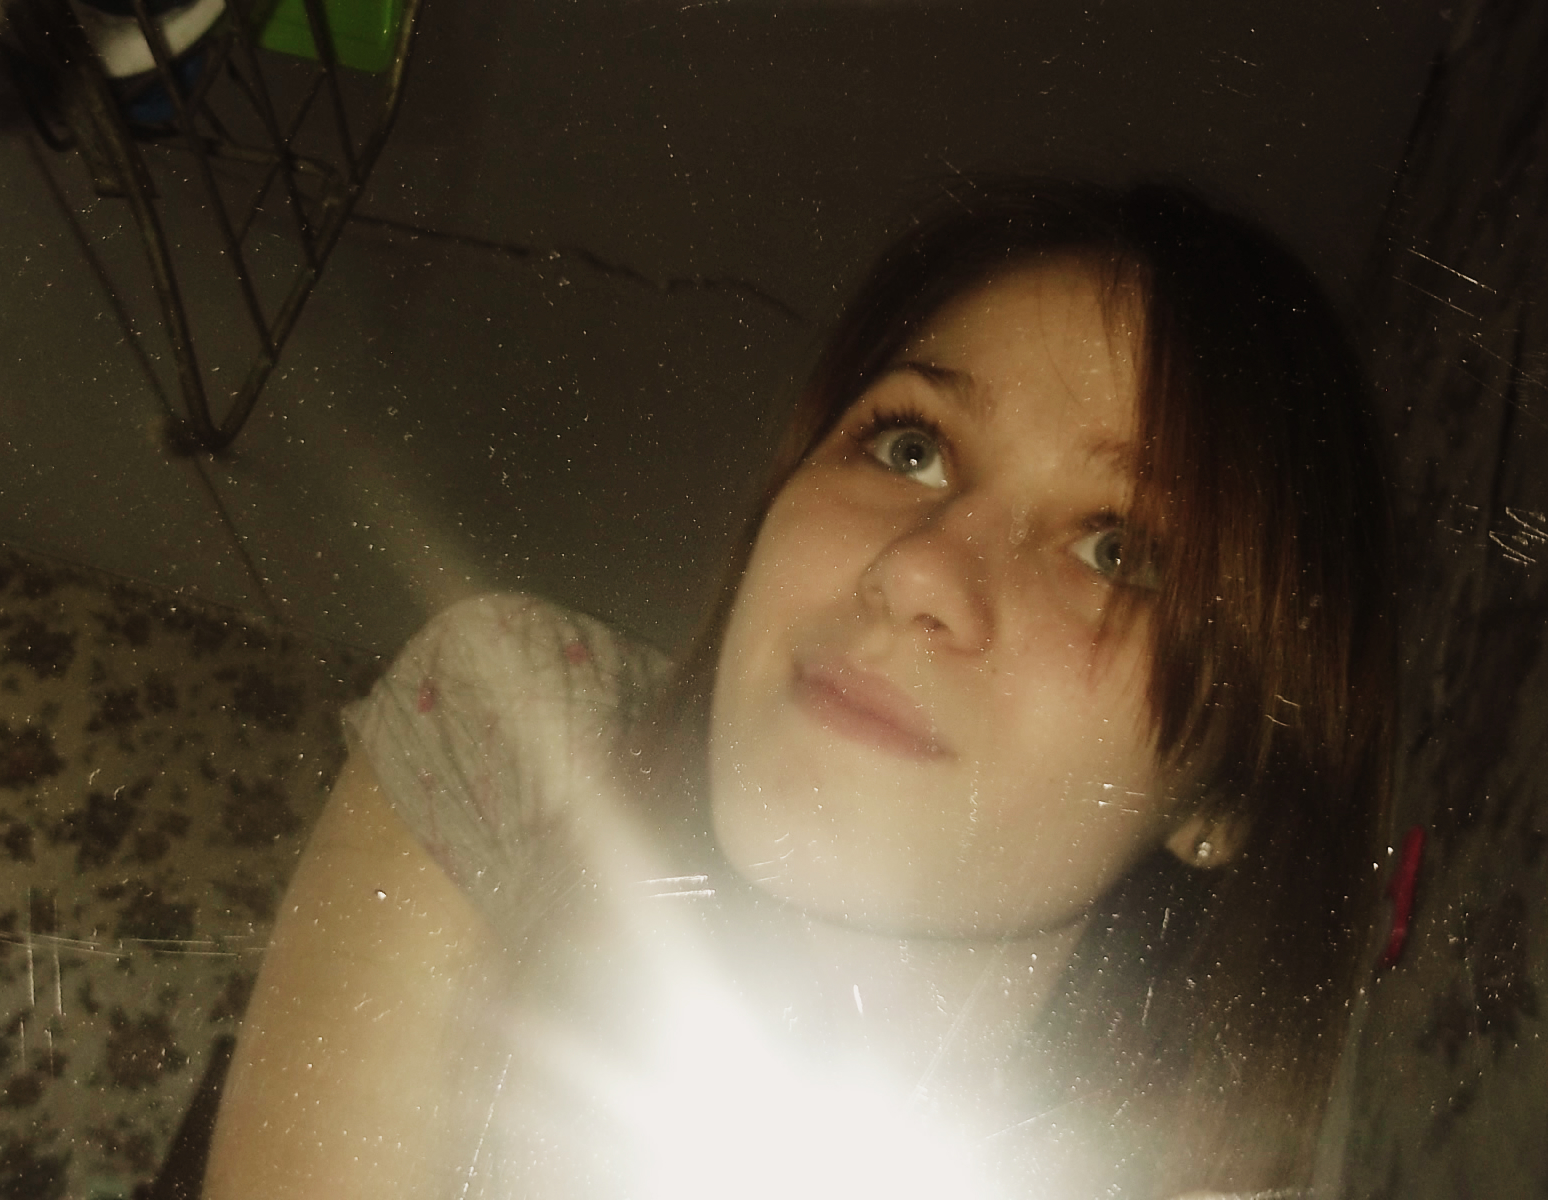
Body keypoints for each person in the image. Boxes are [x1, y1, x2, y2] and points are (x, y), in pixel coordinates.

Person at [203, 178, 1394, 1200]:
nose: (918, 568)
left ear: (1225, 792)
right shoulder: (515, 728)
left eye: (1116, 552)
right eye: (910, 447)